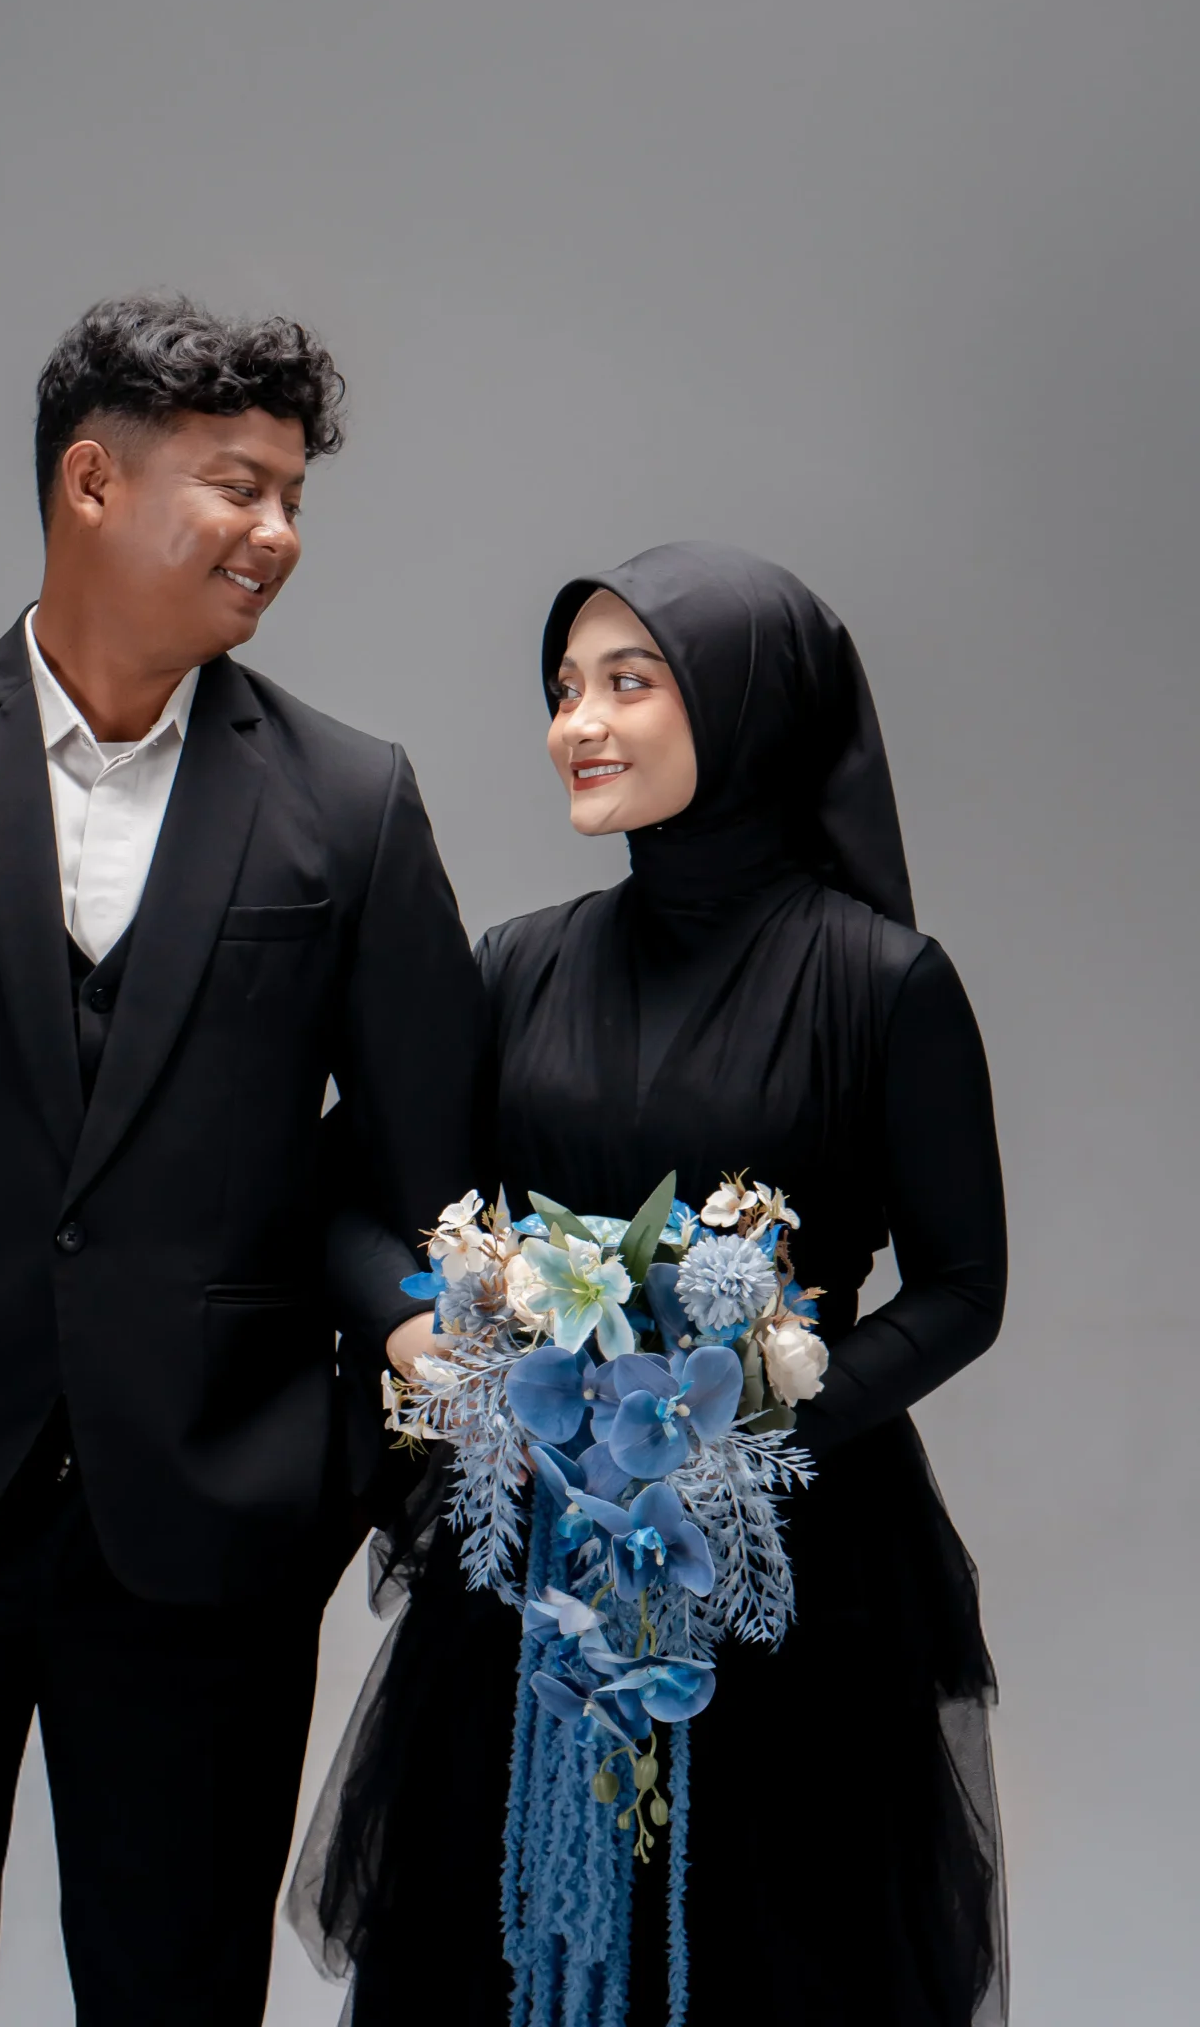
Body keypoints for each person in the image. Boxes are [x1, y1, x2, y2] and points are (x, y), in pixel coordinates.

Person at [0, 293, 484, 2027]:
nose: (277, 533)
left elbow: (429, 1185)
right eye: (237, 485)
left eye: (292, 498)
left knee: (177, 1998)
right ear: (92, 484)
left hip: (211, 1534)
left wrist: (342, 1474)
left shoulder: (349, 804)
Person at [295, 541, 1009, 2027]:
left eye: (628, 683)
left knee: (770, 1959)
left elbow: (964, 1287)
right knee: (506, 1950)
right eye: (564, 689)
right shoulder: (516, 967)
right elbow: (336, 1191)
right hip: (539, 1557)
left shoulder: (885, 984)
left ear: (749, 707)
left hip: (786, 1569)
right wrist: (419, 1331)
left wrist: (748, 1438)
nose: (579, 725)